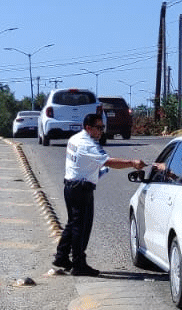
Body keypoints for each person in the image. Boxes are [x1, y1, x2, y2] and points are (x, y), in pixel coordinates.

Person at [53, 113, 144, 276]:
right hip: (81, 189)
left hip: (71, 186)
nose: (101, 131)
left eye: (103, 127)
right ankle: (79, 264)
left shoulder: (75, 139)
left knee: (73, 224)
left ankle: (61, 257)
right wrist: (131, 163)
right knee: (81, 228)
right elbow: (108, 161)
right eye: (99, 128)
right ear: (88, 128)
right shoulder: (88, 144)